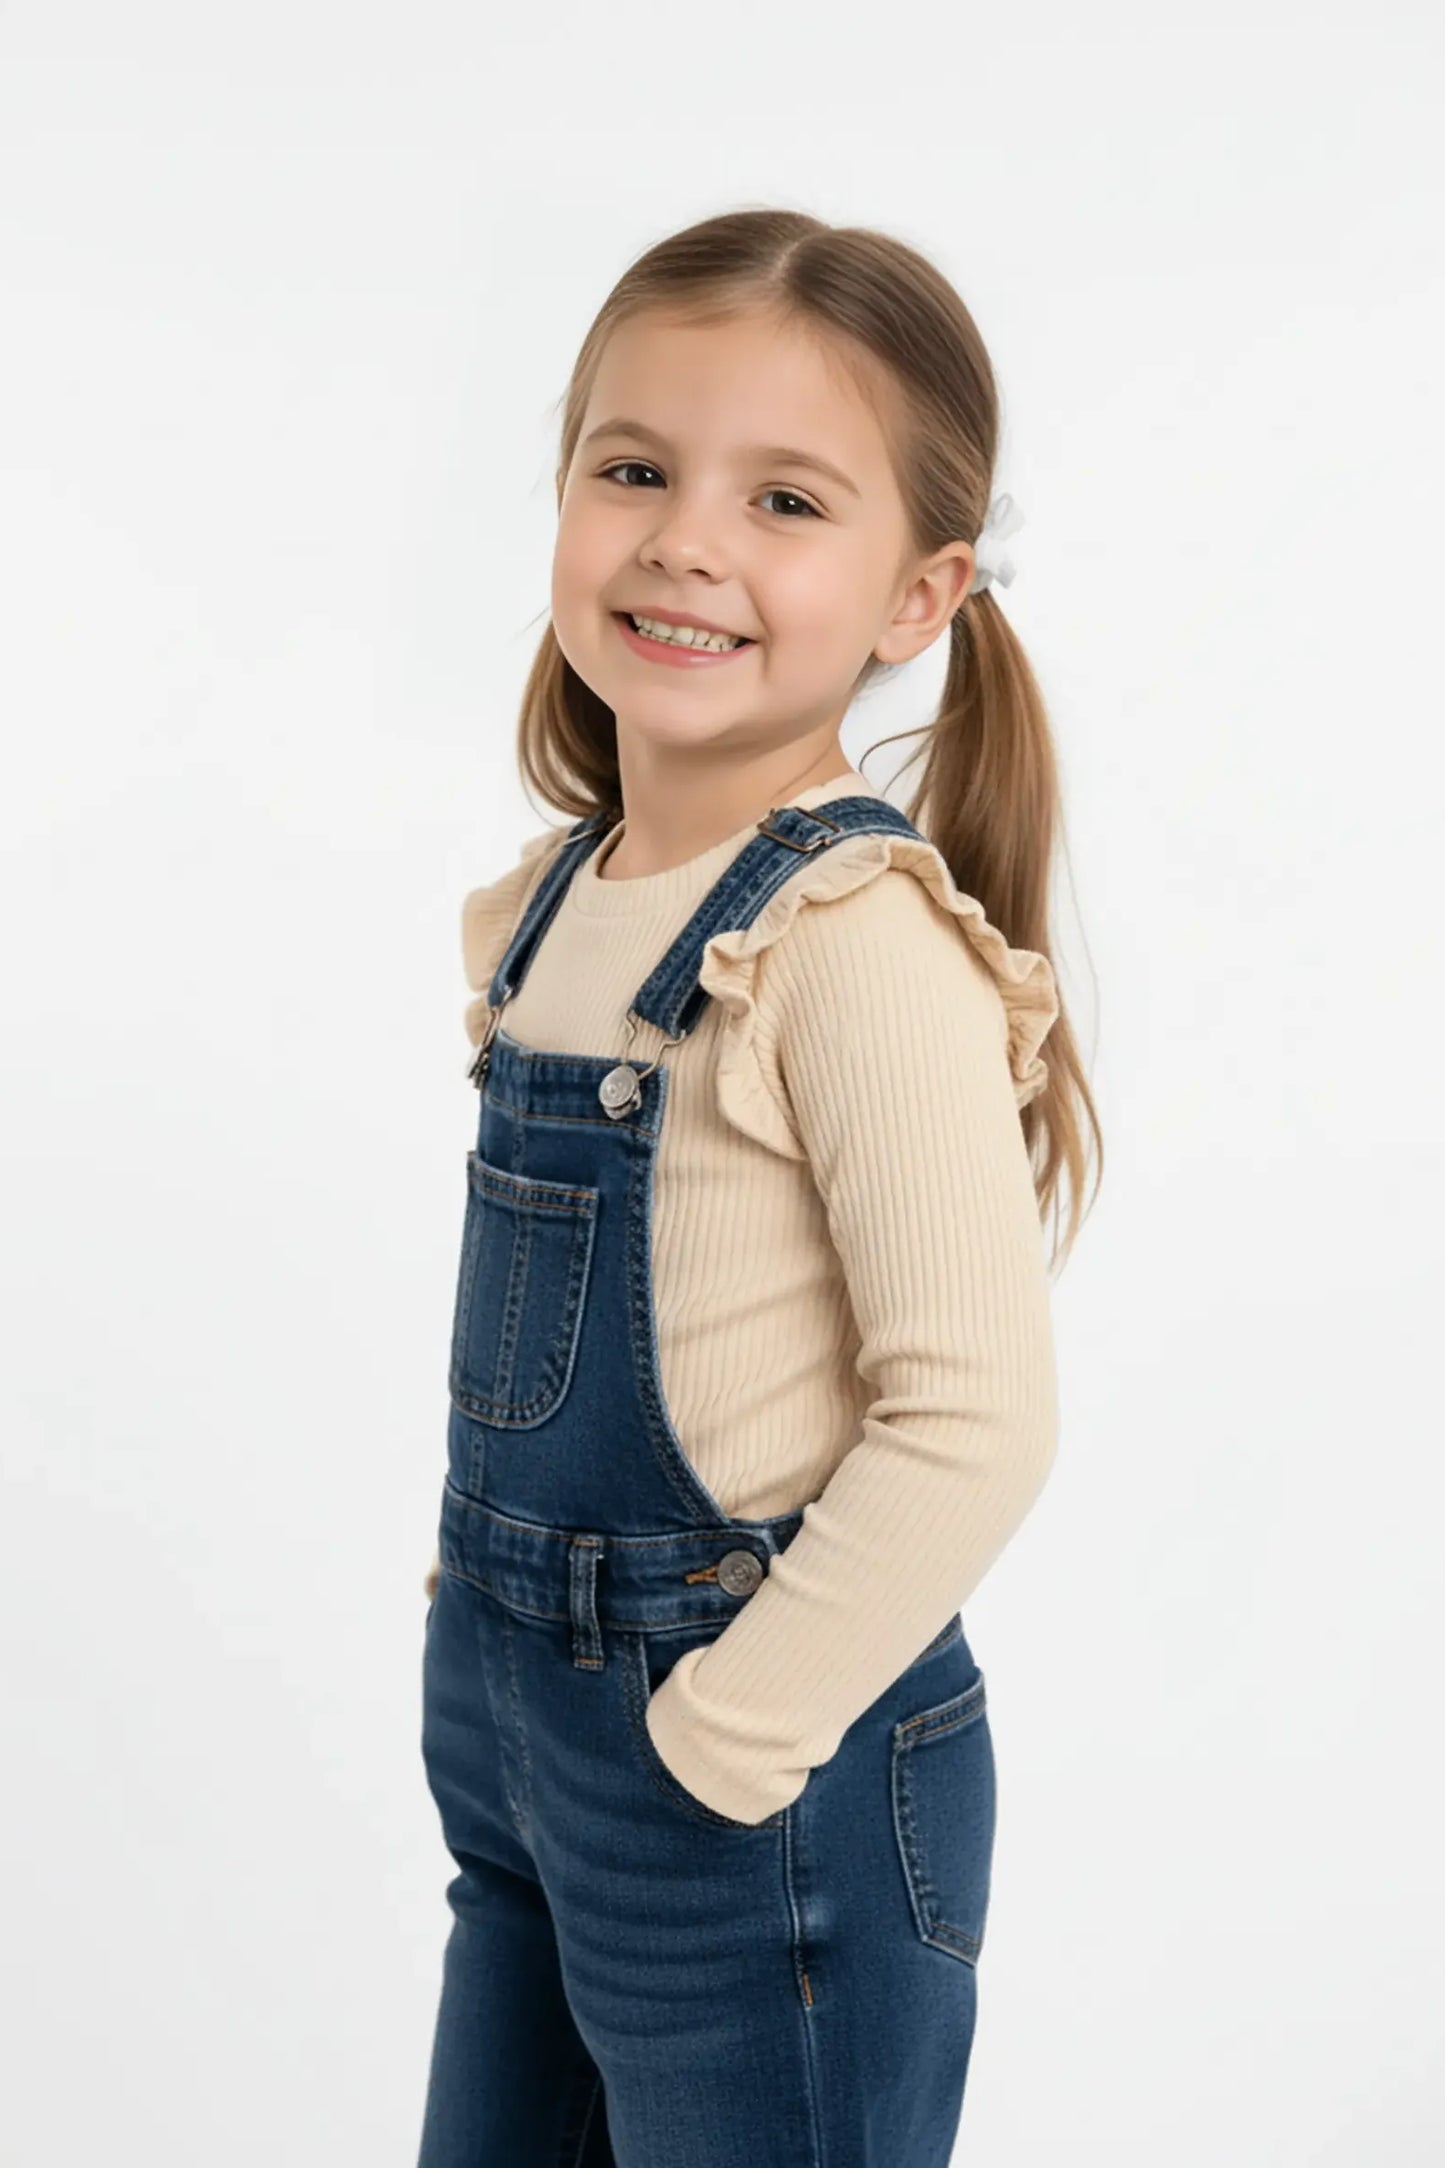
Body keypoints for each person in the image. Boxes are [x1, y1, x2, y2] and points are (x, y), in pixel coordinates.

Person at [415, 205, 1102, 2167]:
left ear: (919, 591)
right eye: (633, 468)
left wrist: (725, 1734)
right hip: (528, 1739)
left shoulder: (849, 942)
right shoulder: (558, 901)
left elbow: (977, 1414)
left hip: (753, 1767)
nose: (685, 540)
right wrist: (490, 1644)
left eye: (785, 499)